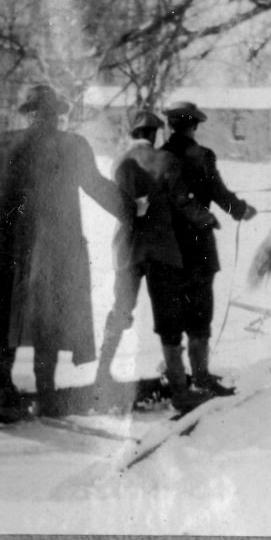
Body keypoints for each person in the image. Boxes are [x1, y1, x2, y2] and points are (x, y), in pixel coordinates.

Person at [0, 84, 132, 417]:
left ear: (31, 112)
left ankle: (2, 385)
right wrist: (131, 210)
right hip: (54, 245)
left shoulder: (4, 142)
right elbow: (97, 188)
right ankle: (46, 390)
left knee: (6, 311)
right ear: (56, 114)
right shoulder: (72, 145)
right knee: (52, 314)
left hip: (6, 242)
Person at [94, 108, 217, 414]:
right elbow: (182, 201)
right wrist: (206, 217)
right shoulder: (168, 161)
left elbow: (119, 202)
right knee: (169, 321)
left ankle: (100, 375)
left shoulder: (119, 162)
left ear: (133, 133)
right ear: (154, 134)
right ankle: (179, 392)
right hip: (163, 251)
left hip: (128, 249)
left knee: (121, 309)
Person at [160, 101, 257, 397]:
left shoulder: (158, 156)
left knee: (172, 310)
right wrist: (240, 210)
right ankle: (200, 375)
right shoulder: (201, 156)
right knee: (200, 309)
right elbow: (218, 192)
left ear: (171, 125)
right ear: (194, 126)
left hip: (166, 245)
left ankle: (175, 374)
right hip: (198, 244)